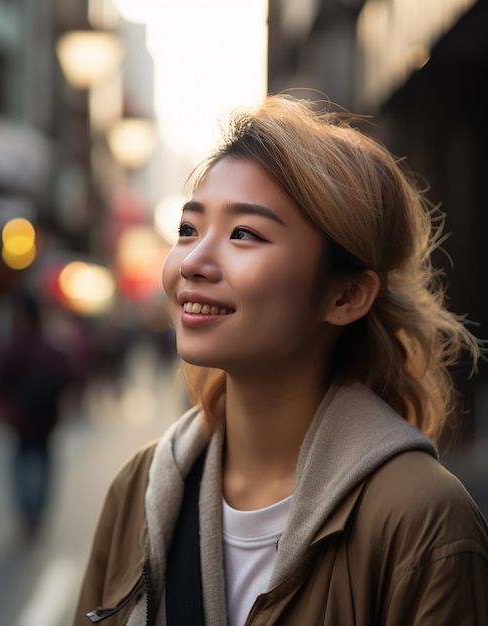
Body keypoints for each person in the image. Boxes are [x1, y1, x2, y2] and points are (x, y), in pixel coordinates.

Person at [73, 95, 488, 626]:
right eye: (188, 229)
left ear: (346, 297)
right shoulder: (140, 487)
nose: (193, 262)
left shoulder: (424, 519)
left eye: (244, 233)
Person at [0, 289, 70, 536]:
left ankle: (27, 510)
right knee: (44, 460)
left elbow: (0, 378)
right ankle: (37, 509)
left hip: (21, 418)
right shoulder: (49, 345)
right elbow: (66, 375)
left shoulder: (14, 346)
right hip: (46, 417)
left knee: (20, 460)